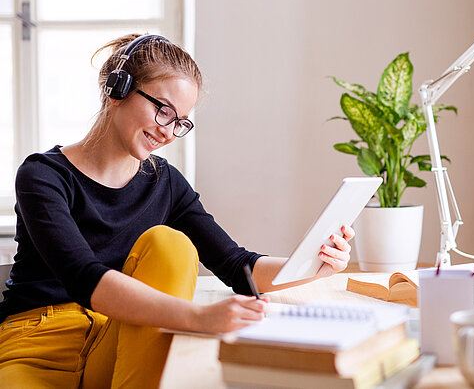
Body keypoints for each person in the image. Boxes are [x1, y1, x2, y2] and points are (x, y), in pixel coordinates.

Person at [0, 34, 355, 388]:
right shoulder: (43, 175)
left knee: (171, 244)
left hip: (117, 337)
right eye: (163, 110)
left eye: (181, 121)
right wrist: (198, 317)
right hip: (39, 340)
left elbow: (236, 265)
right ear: (117, 89)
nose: (168, 131)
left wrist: (314, 265)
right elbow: (82, 276)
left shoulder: (165, 182)